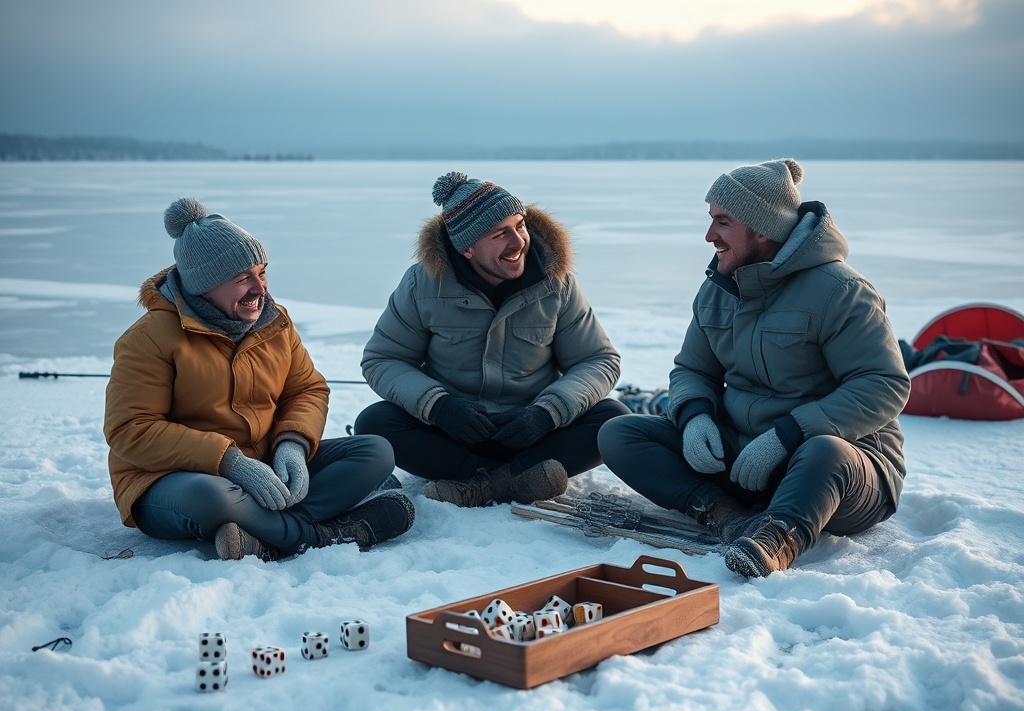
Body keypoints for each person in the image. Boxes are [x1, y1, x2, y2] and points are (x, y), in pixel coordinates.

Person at [598, 159, 910, 577]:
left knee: (825, 451)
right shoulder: (717, 289)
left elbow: (883, 385)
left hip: (839, 472)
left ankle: (778, 538)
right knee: (620, 432)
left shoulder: (841, 291)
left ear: (761, 228)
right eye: (710, 220)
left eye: (722, 222)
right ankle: (724, 514)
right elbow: (692, 369)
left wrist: (788, 435)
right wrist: (695, 418)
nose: (709, 236)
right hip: (744, 460)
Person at [104, 197, 415, 561]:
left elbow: (306, 389)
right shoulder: (150, 338)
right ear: (204, 285)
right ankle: (319, 535)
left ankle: (262, 536)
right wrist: (229, 462)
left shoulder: (274, 322)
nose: (260, 289)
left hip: (266, 462)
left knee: (375, 451)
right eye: (242, 279)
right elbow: (131, 429)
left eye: (262, 272)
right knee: (212, 497)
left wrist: (293, 445)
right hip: (172, 479)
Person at [355, 171, 629, 507]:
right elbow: (383, 359)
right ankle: (514, 480)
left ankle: (483, 486)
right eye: (501, 234)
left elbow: (598, 360)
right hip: (454, 434)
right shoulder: (421, 284)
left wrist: (547, 413)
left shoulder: (557, 282)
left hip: (535, 433)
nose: (518, 242)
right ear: (466, 247)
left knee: (613, 417)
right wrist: (440, 407)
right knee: (374, 422)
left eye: (520, 225)